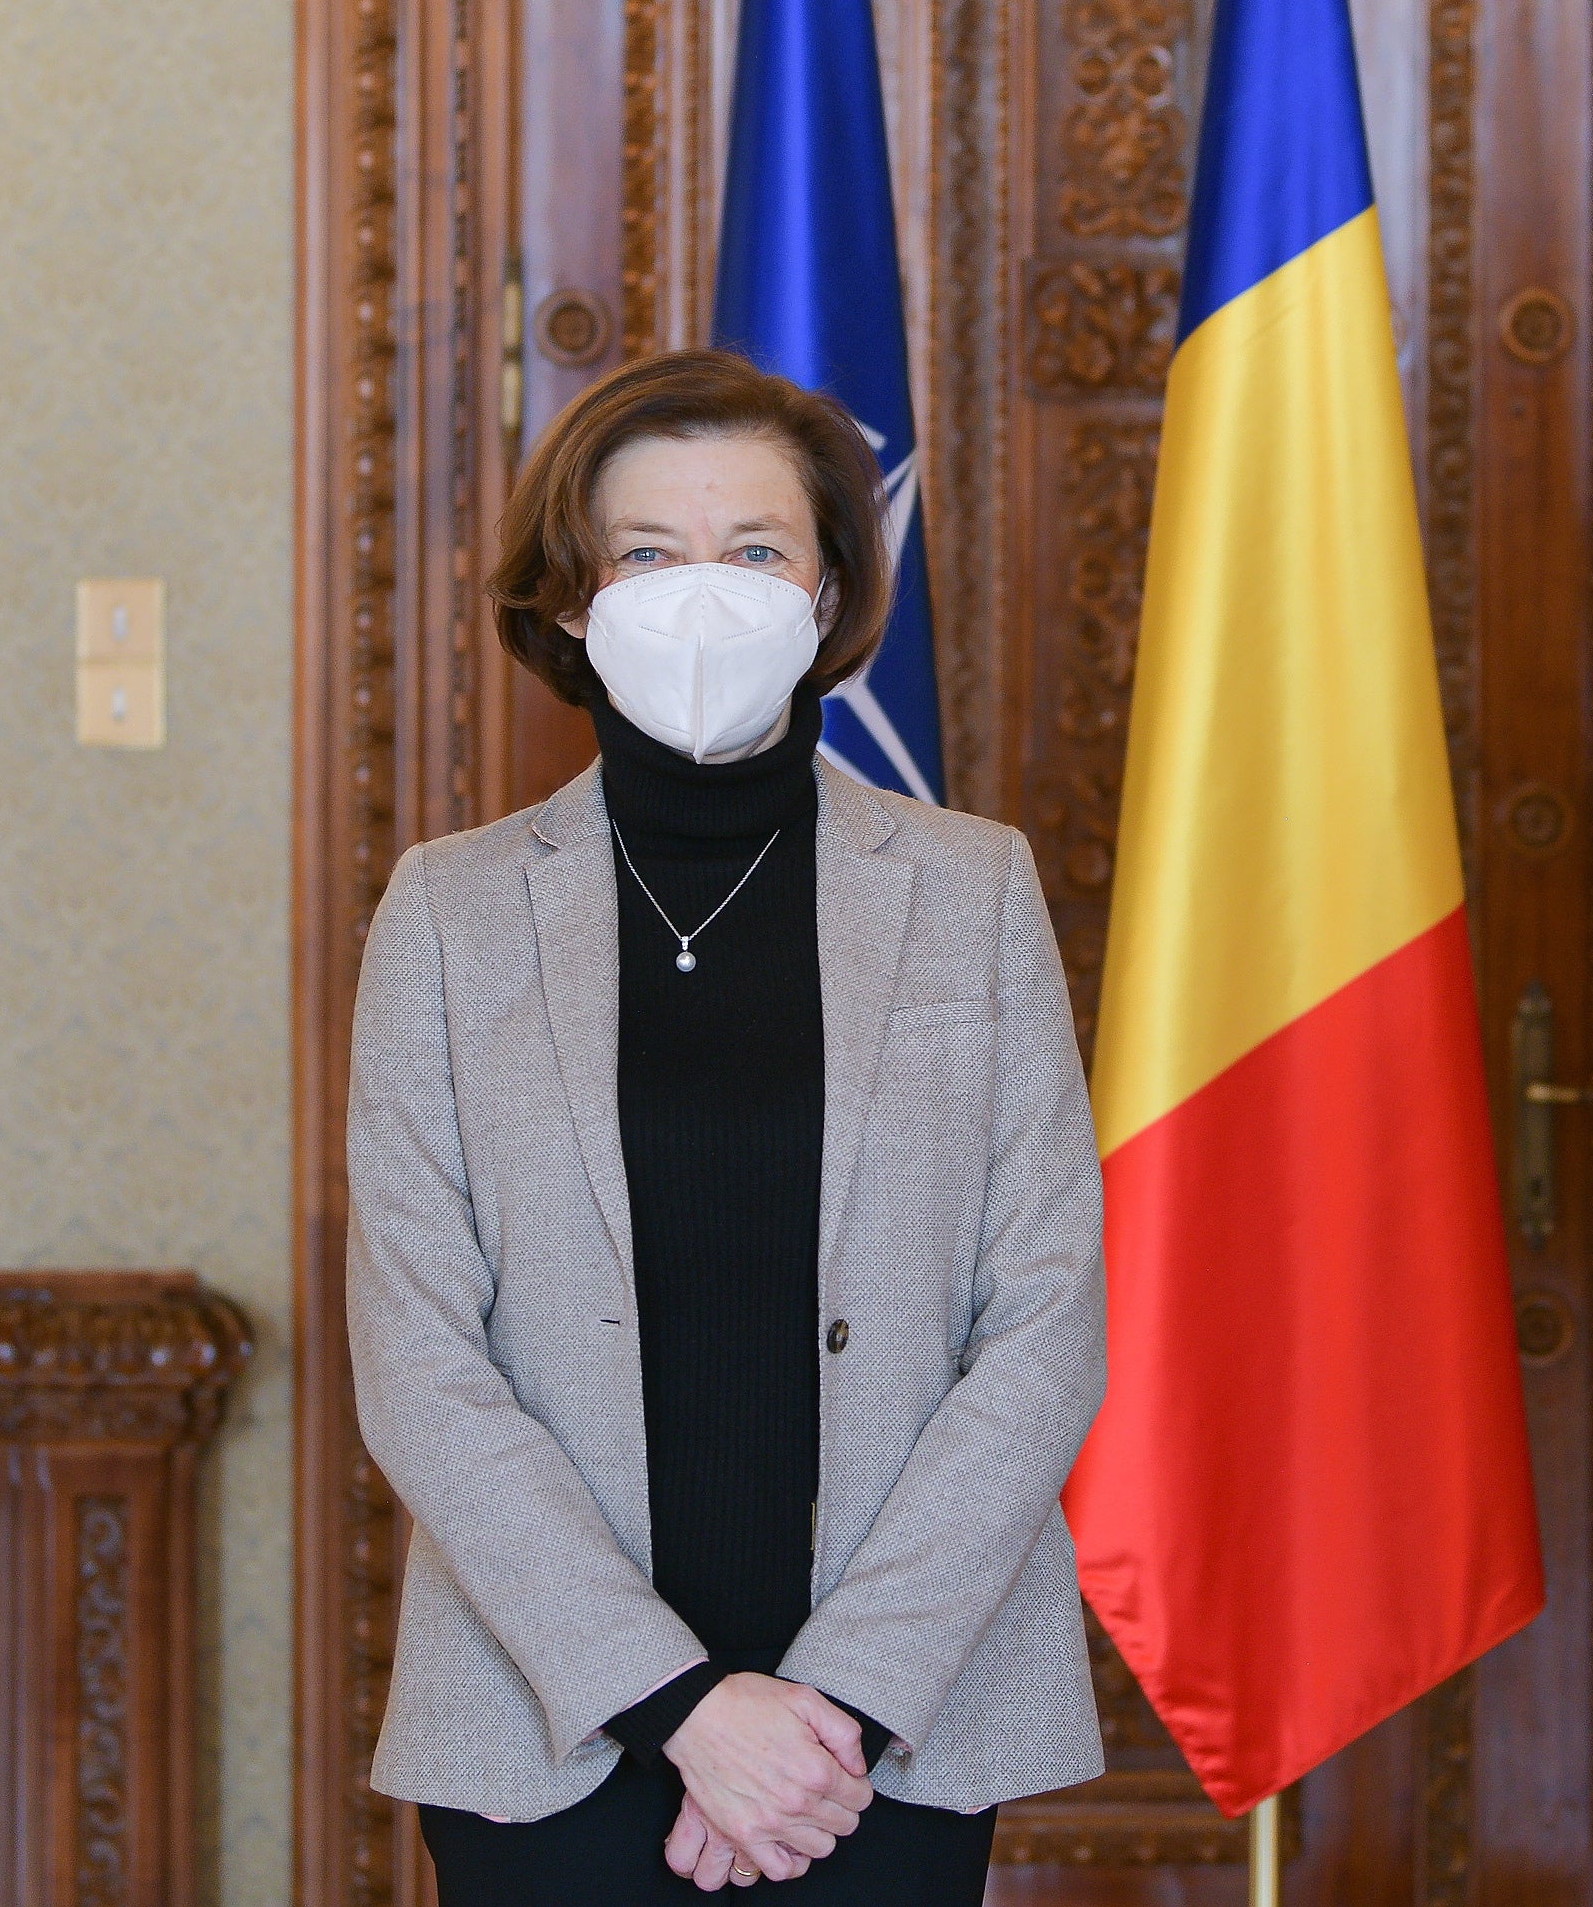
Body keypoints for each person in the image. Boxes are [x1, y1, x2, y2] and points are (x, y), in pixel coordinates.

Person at [347, 347, 1107, 1900]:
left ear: (825, 596)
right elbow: (420, 1358)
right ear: (569, 600)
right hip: (551, 1725)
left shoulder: (971, 889)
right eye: (646, 555)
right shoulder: (449, 911)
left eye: (756, 550)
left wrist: (830, 1709)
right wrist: (686, 1709)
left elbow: (1043, 1319)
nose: (706, 594)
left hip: (885, 1732)